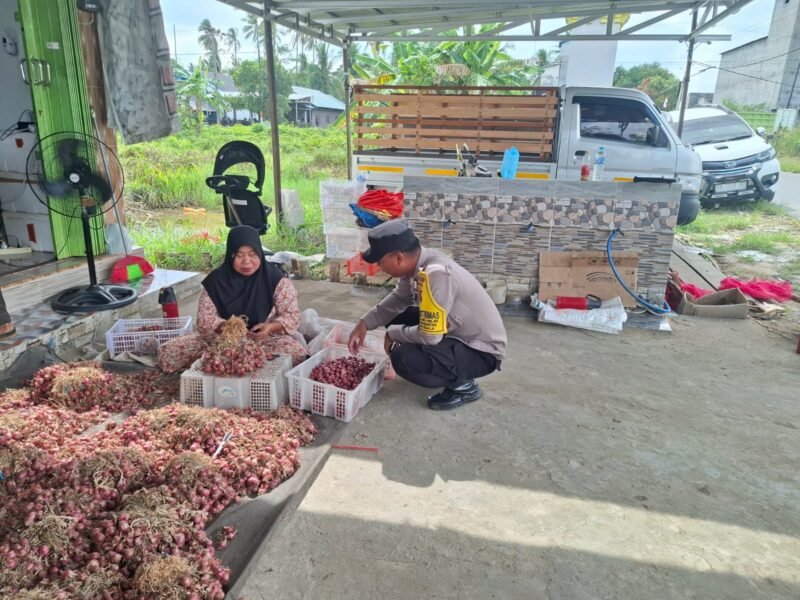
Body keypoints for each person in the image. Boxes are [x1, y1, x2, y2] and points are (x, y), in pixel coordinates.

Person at [348, 219, 506, 410]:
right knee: (397, 318)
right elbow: (399, 298)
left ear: (398, 258)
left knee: (403, 358)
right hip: (456, 331)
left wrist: (394, 334)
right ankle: (446, 366)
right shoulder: (417, 263)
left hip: (480, 351)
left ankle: (464, 386)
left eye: (381, 263)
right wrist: (364, 323)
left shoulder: (436, 275)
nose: (380, 268)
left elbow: (430, 336)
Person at [158, 225, 307, 372]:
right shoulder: (216, 281)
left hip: (265, 339)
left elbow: (292, 315)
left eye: (252, 254)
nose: (247, 261)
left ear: (260, 253)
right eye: (239, 255)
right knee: (167, 352)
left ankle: (231, 363)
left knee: (297, 355)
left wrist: (269, 327)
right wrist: (229, 328)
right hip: (222, 340)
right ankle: (233, 362)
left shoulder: (275, 279)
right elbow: (205, 321)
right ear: (231, 255)